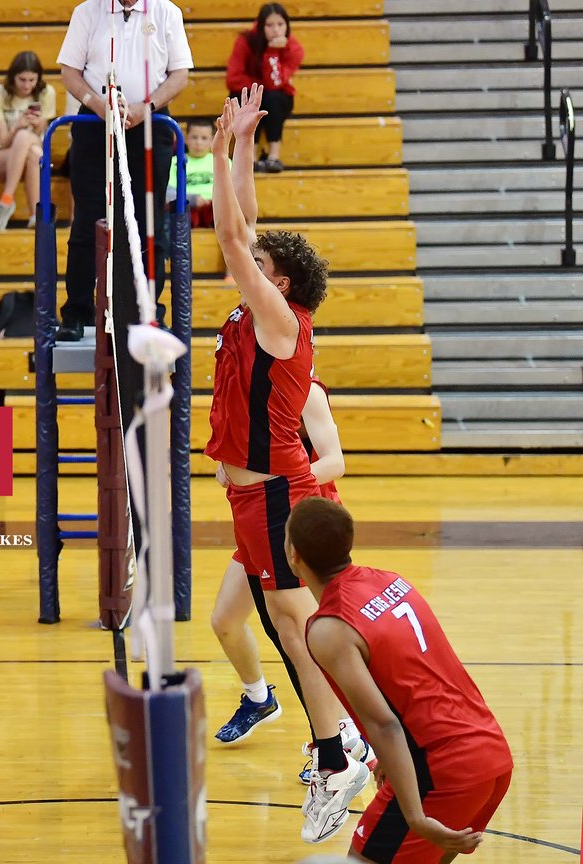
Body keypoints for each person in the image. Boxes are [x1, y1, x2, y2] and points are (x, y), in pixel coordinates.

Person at [207, 87, 368, 844]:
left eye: (265, 264)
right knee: (278, 626)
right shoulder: (263, 306)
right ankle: (341, 739)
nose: (249, 257)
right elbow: (247, 225)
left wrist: (212, 156)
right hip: (252, 498)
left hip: (275, 494)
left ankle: (340, 757)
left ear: (282, 285)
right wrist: (241, 147)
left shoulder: (277, 319)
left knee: (297, 628)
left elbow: (235, 241)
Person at [293, 496, 514, 861]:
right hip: (490, 754)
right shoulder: (391, 581)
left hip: (442, 770)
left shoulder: (328, 628)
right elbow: (413, 681)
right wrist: (393, 764)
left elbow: (384, 723)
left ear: (293, 554)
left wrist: (414, 816)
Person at [211, 377, 370, 785]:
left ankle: (347, 739)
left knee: (305, 640)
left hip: (299, 520)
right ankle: (259, 698)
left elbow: (335, 462)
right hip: (260, 523)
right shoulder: (249, 393)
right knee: (225, 620)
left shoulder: (308, 391)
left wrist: (271, 484)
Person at [55, 0, 191, 342]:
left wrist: (145, 108)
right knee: (88, 221)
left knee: (149, 223)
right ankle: (77, 312)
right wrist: (97, 105)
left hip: (150, 124)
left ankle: (147, 311)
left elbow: (179, 75)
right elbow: (69, 72)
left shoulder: (166, 12)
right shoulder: (87, 11)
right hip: (93, 124)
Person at [0, 51, 55, 232]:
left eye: (32, 80)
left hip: (34, 155)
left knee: (35, 152)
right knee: (24, 138)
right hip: (1, 155)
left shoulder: (46, 93)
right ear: (12, 77)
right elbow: (4, 141)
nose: (27, 85)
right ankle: (19, 205)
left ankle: (22, 210)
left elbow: (41, 138)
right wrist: (16, 126)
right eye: (22, 80)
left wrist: (38, 125)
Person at [226, 3, 303, 173]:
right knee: (253, 98)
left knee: (272, 97)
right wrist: (257, 88)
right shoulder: (245, 41)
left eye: (280, 24)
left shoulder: (294, 49)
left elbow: (274, 83)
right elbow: (233, 78)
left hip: (276, 98)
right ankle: (249, 157)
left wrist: (272, 52)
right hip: (248, 93)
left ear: (287, 26)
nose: (276, 30)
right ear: (261, 27)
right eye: (269, 25)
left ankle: (273, 156)